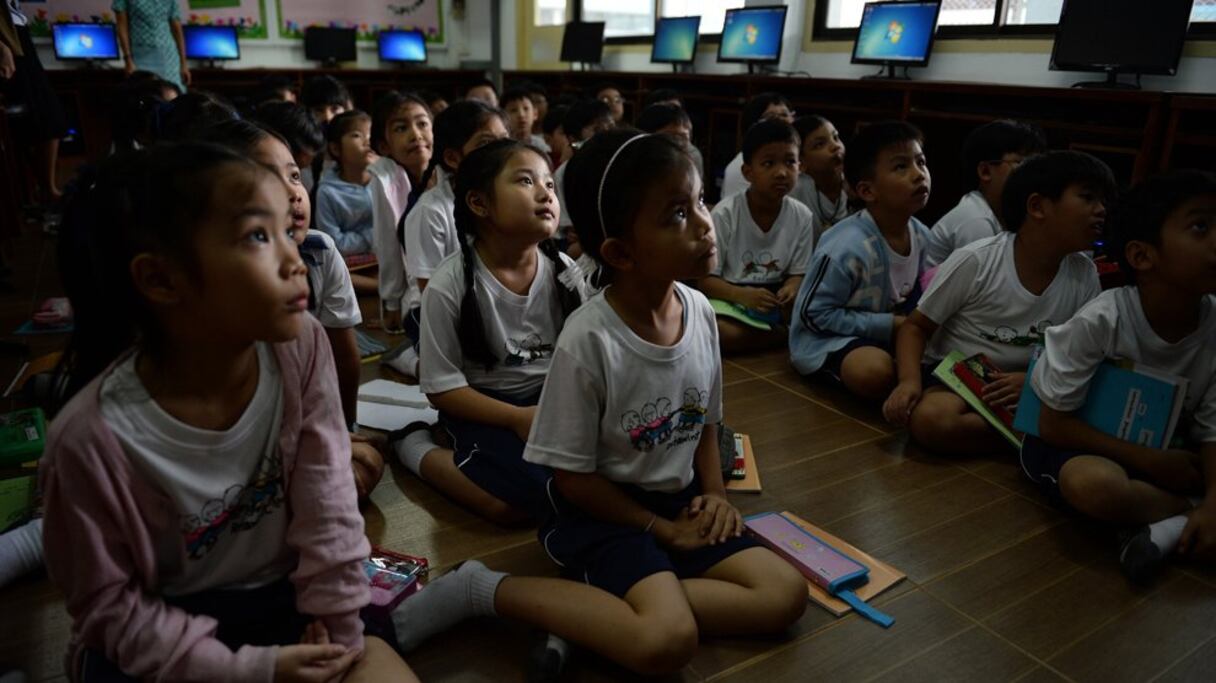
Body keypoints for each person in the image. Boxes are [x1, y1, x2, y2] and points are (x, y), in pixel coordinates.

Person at [384, 130, 807, 677]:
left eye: (700, 201)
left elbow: (707, 422)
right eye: (677, 213)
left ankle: (592, 610)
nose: (706, 223)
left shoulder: (701, 311)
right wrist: (660, 533)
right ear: (619, 252)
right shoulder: (587, 338)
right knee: (666, 641)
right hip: (605, 511)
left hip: (675, 499)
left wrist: (717, 495)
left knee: (783, 594)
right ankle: (480, 590)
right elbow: (572, 480)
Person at [43, 142, 415, 681]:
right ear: (161, 279)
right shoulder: (89, 440)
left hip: (289, 596)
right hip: (164, 632)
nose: (294, 260)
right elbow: (111, 609)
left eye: (288, 231)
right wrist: (251, 670)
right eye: (257, 237)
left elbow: (327, 505)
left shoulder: (300, 346)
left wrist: (337, 633)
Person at [1021, 169, 1216, 583]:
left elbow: (1211, 430)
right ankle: (1183, 517)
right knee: (1094, 485)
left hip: (1170, 450)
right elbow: (1053, 423)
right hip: (1074, 441)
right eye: (1201, 227)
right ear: (1142, 256)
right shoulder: (1103, 319)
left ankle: (1169, 526)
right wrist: (1151, 461)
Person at [394, 138, 585, 524]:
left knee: (596, 479)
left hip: (552, 401)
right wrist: (515, 418)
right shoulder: (452, 286)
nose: (546, 194)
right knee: (511, 505)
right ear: (479, 203)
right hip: (488, 406)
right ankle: (411, 445)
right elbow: (442, 388)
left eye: (549, 184)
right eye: (526, 181)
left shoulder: (564, 269)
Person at [882, 151, 1114, 456]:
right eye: (1087, 198)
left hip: (1034, 385)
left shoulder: (1084, 275)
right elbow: (915, 327)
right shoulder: (978, 260)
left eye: (1103, 201)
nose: (1101, 210)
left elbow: (1079, 354)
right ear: (1036, 206)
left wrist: (1033, 381)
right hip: (961, 378)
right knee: (932, 420)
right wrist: (909, 382)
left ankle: (1029, 435)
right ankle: (1032, 438)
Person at [201, 118, 385, 499]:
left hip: (297, 420)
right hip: (227, 442)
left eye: (296, 176)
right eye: (271, 179)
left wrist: (342, 426)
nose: (294, 193)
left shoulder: (317, 256)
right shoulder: (212, 290)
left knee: (363, 467)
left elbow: (344, 357)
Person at [789, 121, 932, 402]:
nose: (919, 175)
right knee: (873, 372)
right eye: (901, 167)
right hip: (829, 338)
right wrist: (889, 325)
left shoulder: (924, 236)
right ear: (867, 191)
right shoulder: (846, 246)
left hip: (893, 332)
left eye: (921, 162)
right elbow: (813, 314)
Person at [387, 100, 509, 378]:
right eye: (486, 143)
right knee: (464, 372)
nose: (502, 153)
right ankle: (409, 359)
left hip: (490, 303)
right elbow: (430, 292)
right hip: (435, 310)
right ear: (453, 158)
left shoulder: (506, 200)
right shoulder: (430, 211)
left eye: (505, 141)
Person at [699, 119, 814, 353]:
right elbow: (705, 280)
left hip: (774, 303)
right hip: (731, 297)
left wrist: (791, 289)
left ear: (800, 167)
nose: (781, 172)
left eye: (790, 162)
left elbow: (798, 274)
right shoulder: (726, 213)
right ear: (748, 172)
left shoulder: (802, 216)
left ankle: (770, 335)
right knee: (717, 330)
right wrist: (741, 295)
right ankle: (781, 337)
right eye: (769, 163)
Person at [925, 120, 1047, 267]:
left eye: (1036, 165)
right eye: (1022, 163)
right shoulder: (976, 220)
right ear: (985, 171)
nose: (1033, 175)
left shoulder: (1001, 215)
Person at [370, 91, 433, 334]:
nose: (416, 134)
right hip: (415, 287)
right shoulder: (385, 179)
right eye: (401, 128)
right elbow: (387, 244)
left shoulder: (447, 170)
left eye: (422, 124)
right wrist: (392, 302)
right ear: (384, 146)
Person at [0, 1, 69, 204]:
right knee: (24, 121)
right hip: (7, 41)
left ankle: (45, 189)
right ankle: (38, 193)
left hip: (19, 34)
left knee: (49, 118)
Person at [315, 110, 377, 257]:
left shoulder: (386, 178)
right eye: (357, 135)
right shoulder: (327, 192)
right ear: (336, 149)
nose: (368, 141)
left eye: (371, 134)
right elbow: (334, 243)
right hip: (352, 267)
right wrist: (375, 235)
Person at [790, 115, 852, 242]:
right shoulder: (795, 190)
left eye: (835, 137)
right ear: (801, 163)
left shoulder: (856, 185)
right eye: (819, 145)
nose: (835, 146)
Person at [720, 93, 793, 200]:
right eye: (771, 116)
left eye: (784, 115)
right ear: (752, 124)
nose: (780, 121)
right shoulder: (742, 165)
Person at [113, 0, 190, 91]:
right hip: (140, 55)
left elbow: (177, 29)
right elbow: (122, 26)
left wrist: (184, 64)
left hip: (169, 56)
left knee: (173, 96)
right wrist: (127, 60)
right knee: (143, 95)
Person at [501, 86, 549, 153]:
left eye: (526, 109)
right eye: (513, 110)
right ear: (503, 117)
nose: (521, 115)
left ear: (535, 113)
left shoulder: (543, 147)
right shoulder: (502, 149)